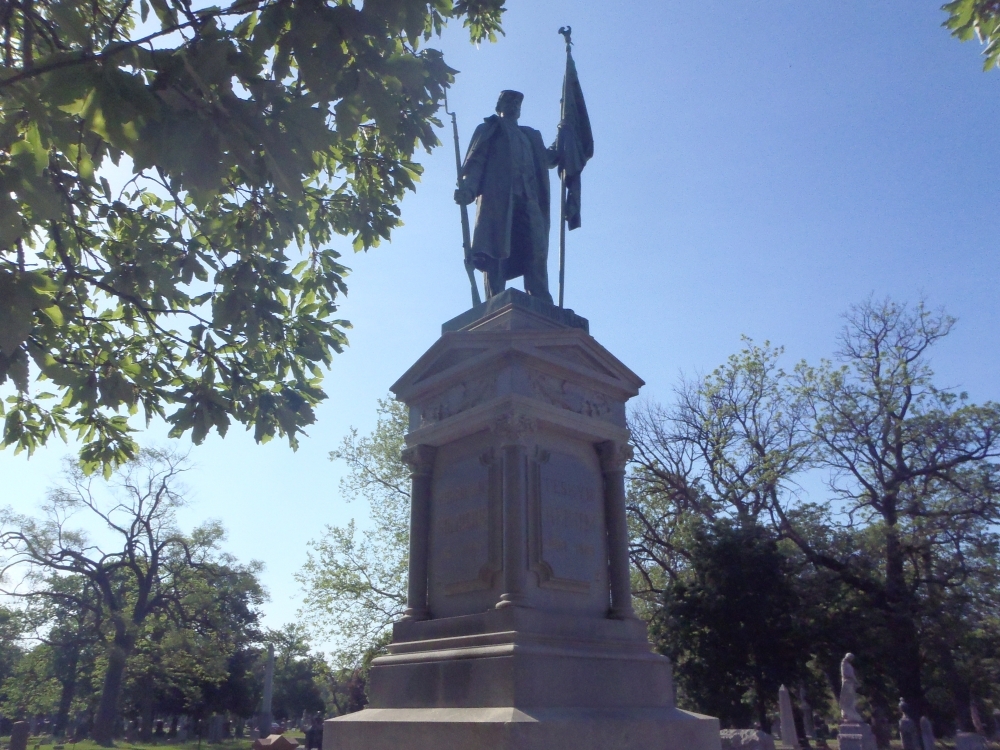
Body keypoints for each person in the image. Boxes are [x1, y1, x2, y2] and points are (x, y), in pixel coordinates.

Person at [455, 90, 558, 302]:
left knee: (536, 249)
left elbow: (550, 158)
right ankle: (495, 300)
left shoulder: (530, 136)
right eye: (508, 101)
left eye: (517, 103)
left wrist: (565, 132)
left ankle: (540, 300)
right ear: (499, 106)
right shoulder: (490, 130)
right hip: (499, 201)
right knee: (496, 250)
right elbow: (476, 164)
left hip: (529, 200)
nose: (514, 106)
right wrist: (468, 190)